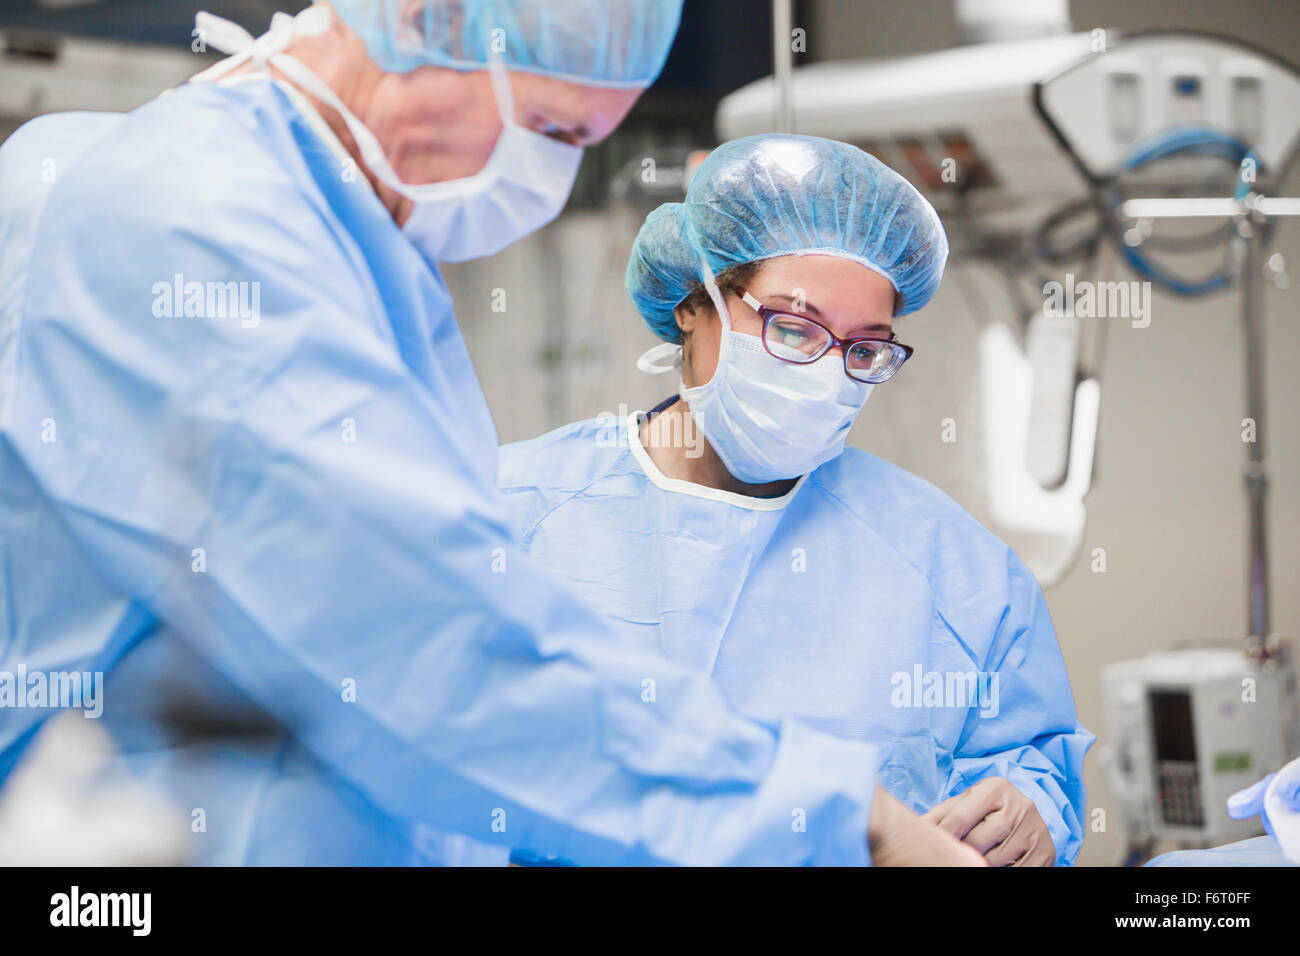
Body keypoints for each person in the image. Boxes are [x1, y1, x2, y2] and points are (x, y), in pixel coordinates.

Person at [0, 2, 981, 866]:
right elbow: (425, 646)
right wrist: (836, 818)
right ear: (421, 16)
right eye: (551, 127)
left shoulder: (338, 239)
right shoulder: (196, 223)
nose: (549, 180)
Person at [499, 134, 1094, 865]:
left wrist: (1030, 811)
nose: (825, 375)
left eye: (864, 348)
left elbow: (1029, 765)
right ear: (693, 302)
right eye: (792, 327)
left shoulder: (952, 569)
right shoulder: (513, 516)